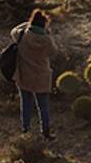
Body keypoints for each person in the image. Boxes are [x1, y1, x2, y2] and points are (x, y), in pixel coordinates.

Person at [12, 9, 59, 142]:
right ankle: (45, 132)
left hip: (24, 74)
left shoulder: (22, 35)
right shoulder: (46, 40)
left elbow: (13, 30)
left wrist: (27, 24)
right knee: (43, 106)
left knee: (26, 104)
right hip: (41, 76)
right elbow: (54, 52)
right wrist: (48, 34)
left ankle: (25, 130)